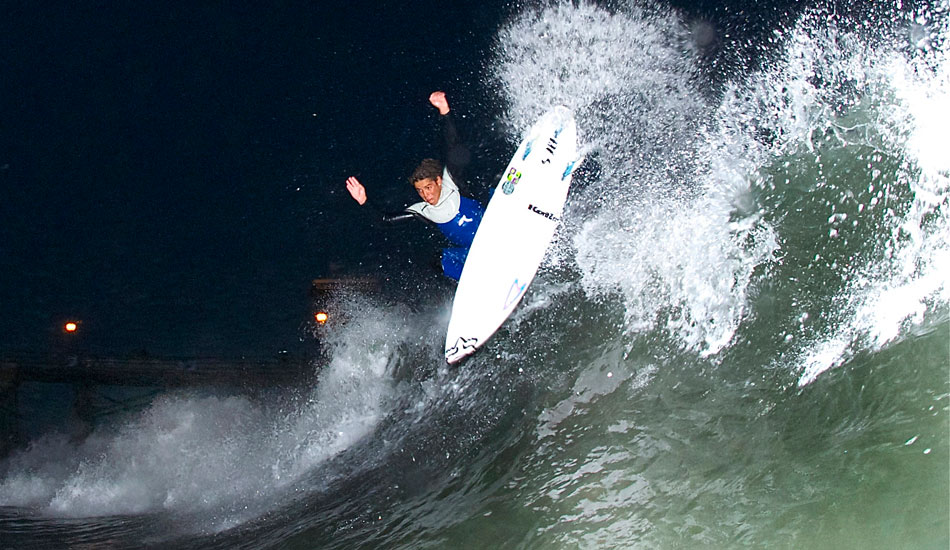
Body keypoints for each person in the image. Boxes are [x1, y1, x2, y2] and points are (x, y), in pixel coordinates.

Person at [345, 91, 485, 280]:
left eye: (428, 188)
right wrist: (364, 201)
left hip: (494, 224)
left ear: (438, 181)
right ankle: (476, 281)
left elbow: (452, 144)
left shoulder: (451, 181)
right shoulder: (422, 210)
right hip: (475, 252)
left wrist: (445, 111)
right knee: (437, 260)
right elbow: (385, 221)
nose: (425, 195)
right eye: (420, 191)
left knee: (489, 187)